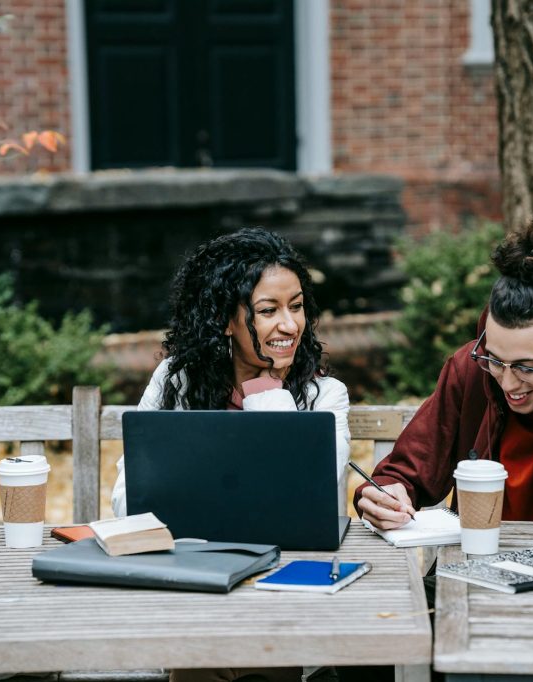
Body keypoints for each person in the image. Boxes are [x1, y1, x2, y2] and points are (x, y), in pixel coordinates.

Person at [110, 227, 350, 682]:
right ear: (225, 319)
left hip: (288, 590)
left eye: (296, 307)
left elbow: (300, 499)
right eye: (268, 311)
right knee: (203, 646)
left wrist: (267, 390)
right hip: (196, 585)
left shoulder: (324, 397)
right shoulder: (175, 381)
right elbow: (129, 502)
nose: (290, 325)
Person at [356, 222, 533, 547]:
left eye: (527, 367)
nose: (508, 382)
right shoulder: (469, 371)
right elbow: (407, 470)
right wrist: (382, 494)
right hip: (478, 570)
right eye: (494, 359)